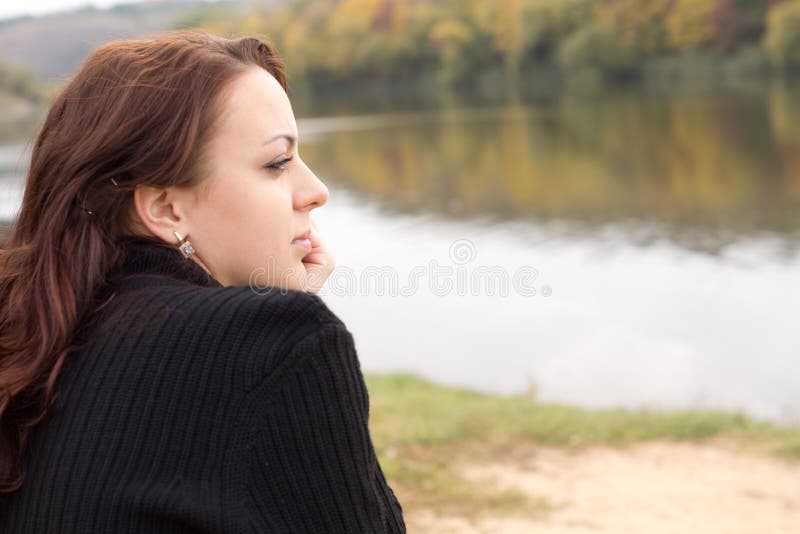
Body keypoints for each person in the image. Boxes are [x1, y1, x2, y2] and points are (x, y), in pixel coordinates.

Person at [0, 30, 406, 533]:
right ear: (167, 209)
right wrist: (281, 322)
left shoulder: (33, 328)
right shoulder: (274, 343)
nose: (316, 191)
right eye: (277, 162)